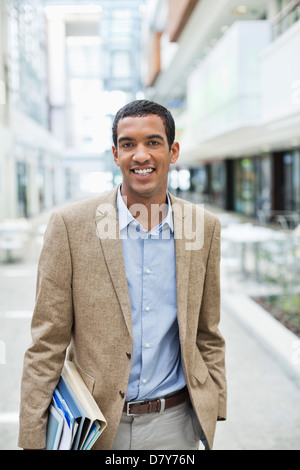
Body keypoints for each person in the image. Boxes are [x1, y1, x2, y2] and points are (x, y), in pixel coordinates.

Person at [18, 100, 226, 451]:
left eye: (153, 142)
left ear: (173, 151)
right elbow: (46, 343)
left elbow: (208, 332)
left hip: (174, 425)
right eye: (128, 144)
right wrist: (32, 439)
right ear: (115, 154)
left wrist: (214, 402)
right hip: (94, 427)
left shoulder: (202, 227)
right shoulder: (70, 226)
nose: (140, 155)